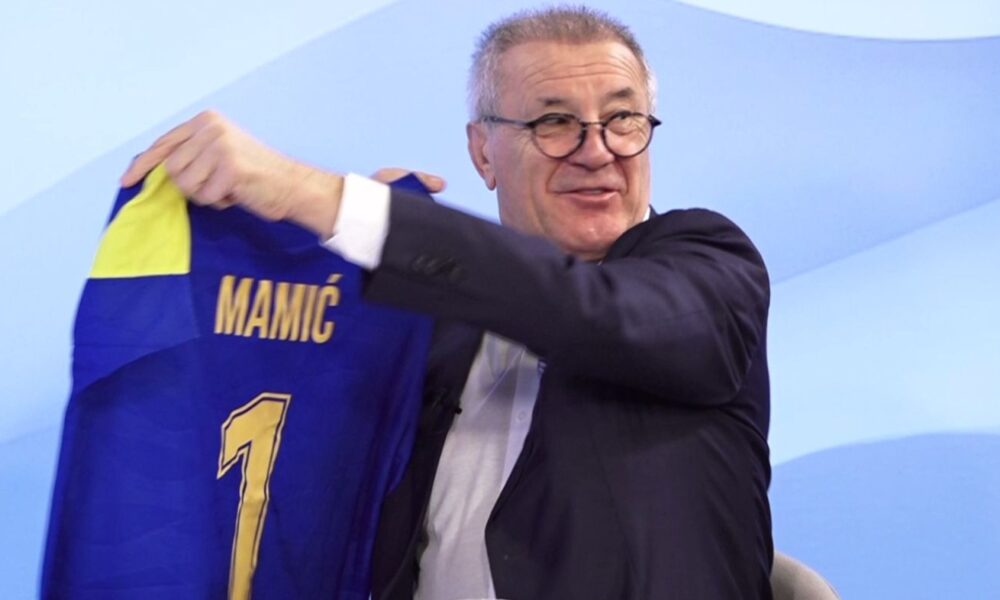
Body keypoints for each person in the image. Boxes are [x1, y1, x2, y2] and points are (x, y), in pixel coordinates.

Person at [122, 6, 773, 599]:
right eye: (554, 122)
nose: (597, 151)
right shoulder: (435, 329)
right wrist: (329, 254)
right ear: (482, 152)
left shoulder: (710, 267)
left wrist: (329, 201)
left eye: (623, 120)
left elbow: (587, 310)